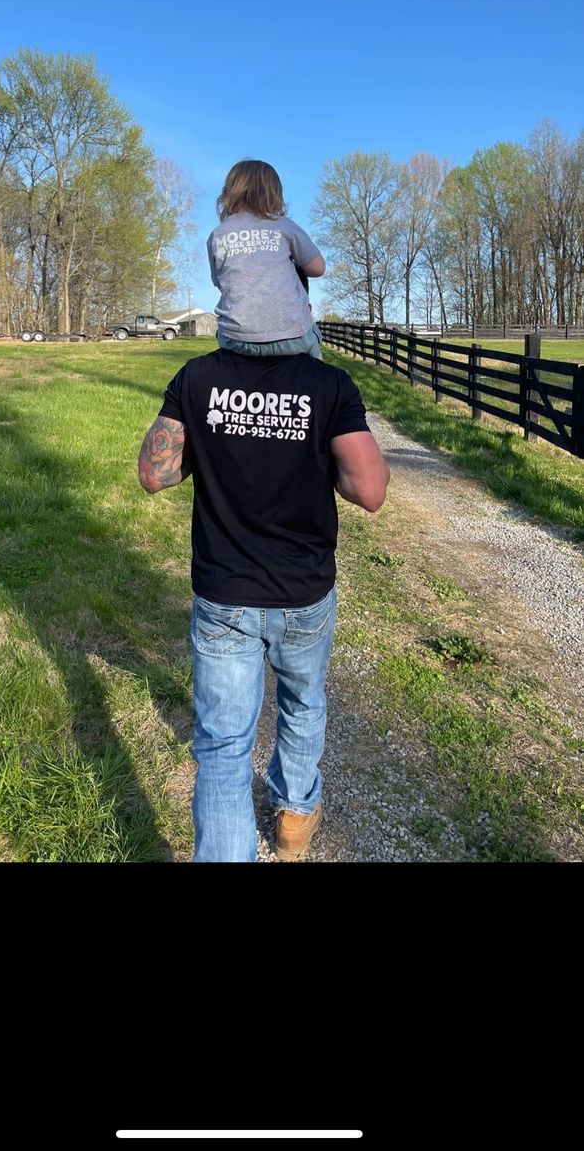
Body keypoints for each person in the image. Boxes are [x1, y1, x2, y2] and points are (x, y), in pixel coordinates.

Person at [137, 342, 390, 863]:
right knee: (301, 700)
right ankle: (294, 817)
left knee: (224, 746)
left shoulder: (197, 377)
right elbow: (370, 489)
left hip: (224, 593)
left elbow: (154, 474)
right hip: (303, 591)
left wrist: (215, 441)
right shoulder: (329, 384)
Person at [207, 159, 326, 360]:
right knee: (316, 362)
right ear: (274, 194)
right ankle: (318, 383)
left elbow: (219, 282)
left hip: (235, 338)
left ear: (229, 193)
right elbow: (318, 268)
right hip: (291, 335)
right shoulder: (284, 226)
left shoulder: (218, 234)